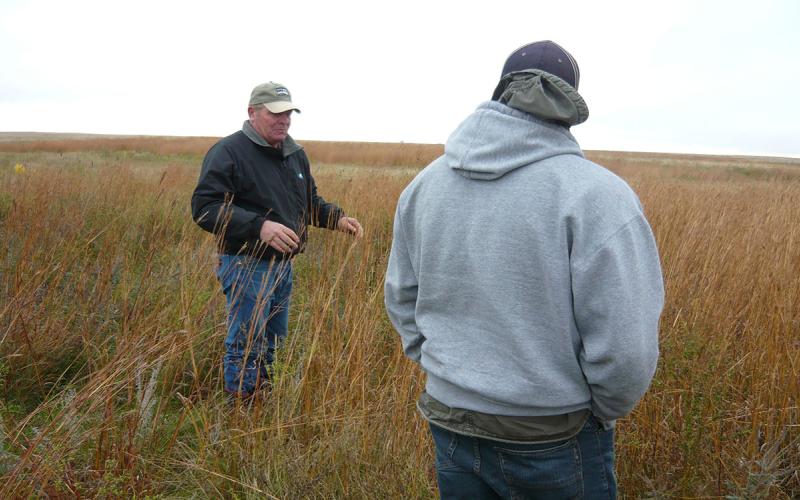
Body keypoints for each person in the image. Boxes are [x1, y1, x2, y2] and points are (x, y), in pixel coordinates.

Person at [384, 41, 664, 498]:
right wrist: (599, 410)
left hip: (451, 420)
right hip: (553, 433)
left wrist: (449, 372)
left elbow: (400, 299)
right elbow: (626, 351)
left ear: (501, 92)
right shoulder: (598, 195)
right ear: (569, 104)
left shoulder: (424, 186)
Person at [192, 82, 362, 400]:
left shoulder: (294, 154)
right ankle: (241, 409)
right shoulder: (229, 152)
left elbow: (308, 203)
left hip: (283, 267)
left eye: (288, 114)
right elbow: (205, 209)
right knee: (246, 343)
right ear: (252, 112)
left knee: (274, 343)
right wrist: (259, 227)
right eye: (276, 113)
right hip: (245, 264)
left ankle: (265, 401)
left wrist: (337, 219)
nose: (284, 120)